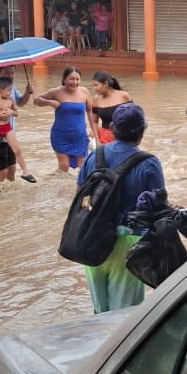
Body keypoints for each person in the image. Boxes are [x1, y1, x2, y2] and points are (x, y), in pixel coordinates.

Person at [75, 103, 165, 313]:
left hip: (93, 240)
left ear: (113, 128)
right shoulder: (149, 163)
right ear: (142, 131)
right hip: (129, 242)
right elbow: (158, 206)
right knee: (124, 315)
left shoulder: (94, 156)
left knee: (99, 310)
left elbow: (81, 194)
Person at [35, 66, 92, 172]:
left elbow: (90, 111)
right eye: (71, 79)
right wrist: (49, 102)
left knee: (84, 167)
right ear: (64, 80)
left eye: (77, 79)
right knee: (64, 167)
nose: (74, 82)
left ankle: (80, 188)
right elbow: (37, 100)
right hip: (61, 136)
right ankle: (60, 187)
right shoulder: (56, 92)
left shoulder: (84, 92)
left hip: (79, 136)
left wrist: (93, 130)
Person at [90, 71, 133, 145]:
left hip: (123, 137)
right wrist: (97, 141)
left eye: (96, 85)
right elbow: (94, 122)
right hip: (104, 138)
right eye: (93, 85)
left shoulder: (124, 96)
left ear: (106, 84)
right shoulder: (96, 100)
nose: (94, 88)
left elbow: (132, 118)